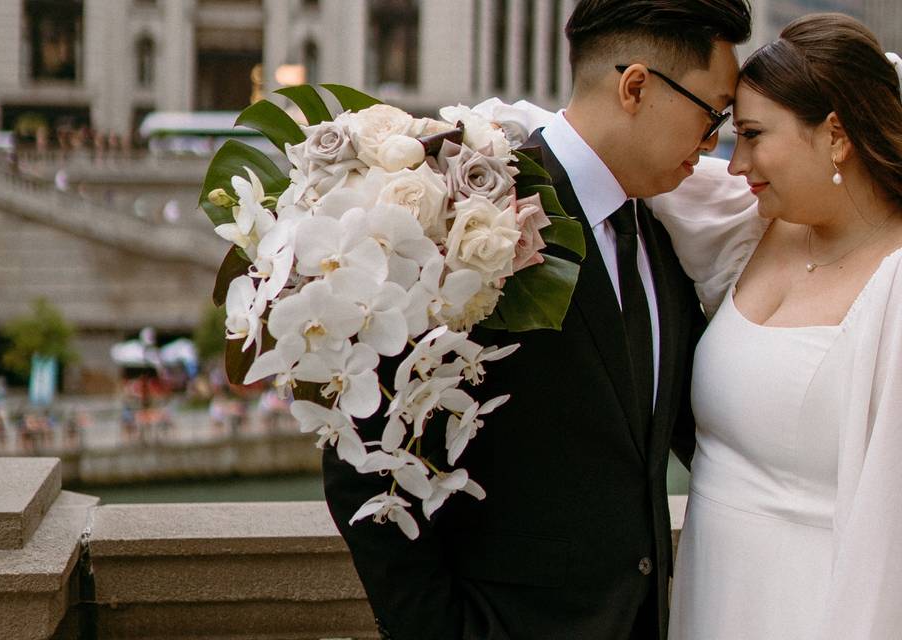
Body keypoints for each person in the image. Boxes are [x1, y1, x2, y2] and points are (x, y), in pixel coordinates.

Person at [320, 2, 751, 639]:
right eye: (711, 114)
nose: (713, 143)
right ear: (636, 86)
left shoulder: (661, 229)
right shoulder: (469, 210)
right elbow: (363, 454)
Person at [643, 13, 902, 639]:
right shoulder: (752, 222)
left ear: (835, 134)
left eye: (755, 135)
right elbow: (596, 149)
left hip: (816, 612)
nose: (738, 164)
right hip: (708, 600)